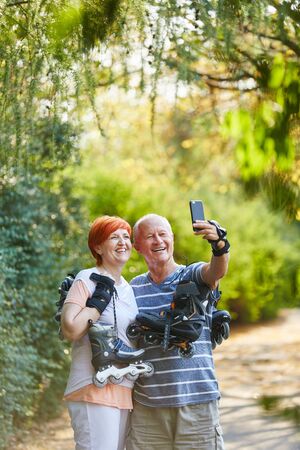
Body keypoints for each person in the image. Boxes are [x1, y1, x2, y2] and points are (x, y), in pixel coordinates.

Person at [126, 213, 230, 450]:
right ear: (137, 246)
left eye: (163, 234)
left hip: (197, 404)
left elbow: (216, 271)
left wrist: (220, 246)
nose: (158, 240)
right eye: (150, 236)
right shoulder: (132, 289)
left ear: (172, 238)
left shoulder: (191, 275)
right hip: (147, 409)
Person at [61, 215, 149, 450]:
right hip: (93, 387)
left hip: (123, 389)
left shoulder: (128, 289)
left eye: (126, 237)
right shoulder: (87, 278)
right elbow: (69, 329)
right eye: (114, 237)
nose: (122, 242)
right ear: (97, 247)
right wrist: (96, 305)